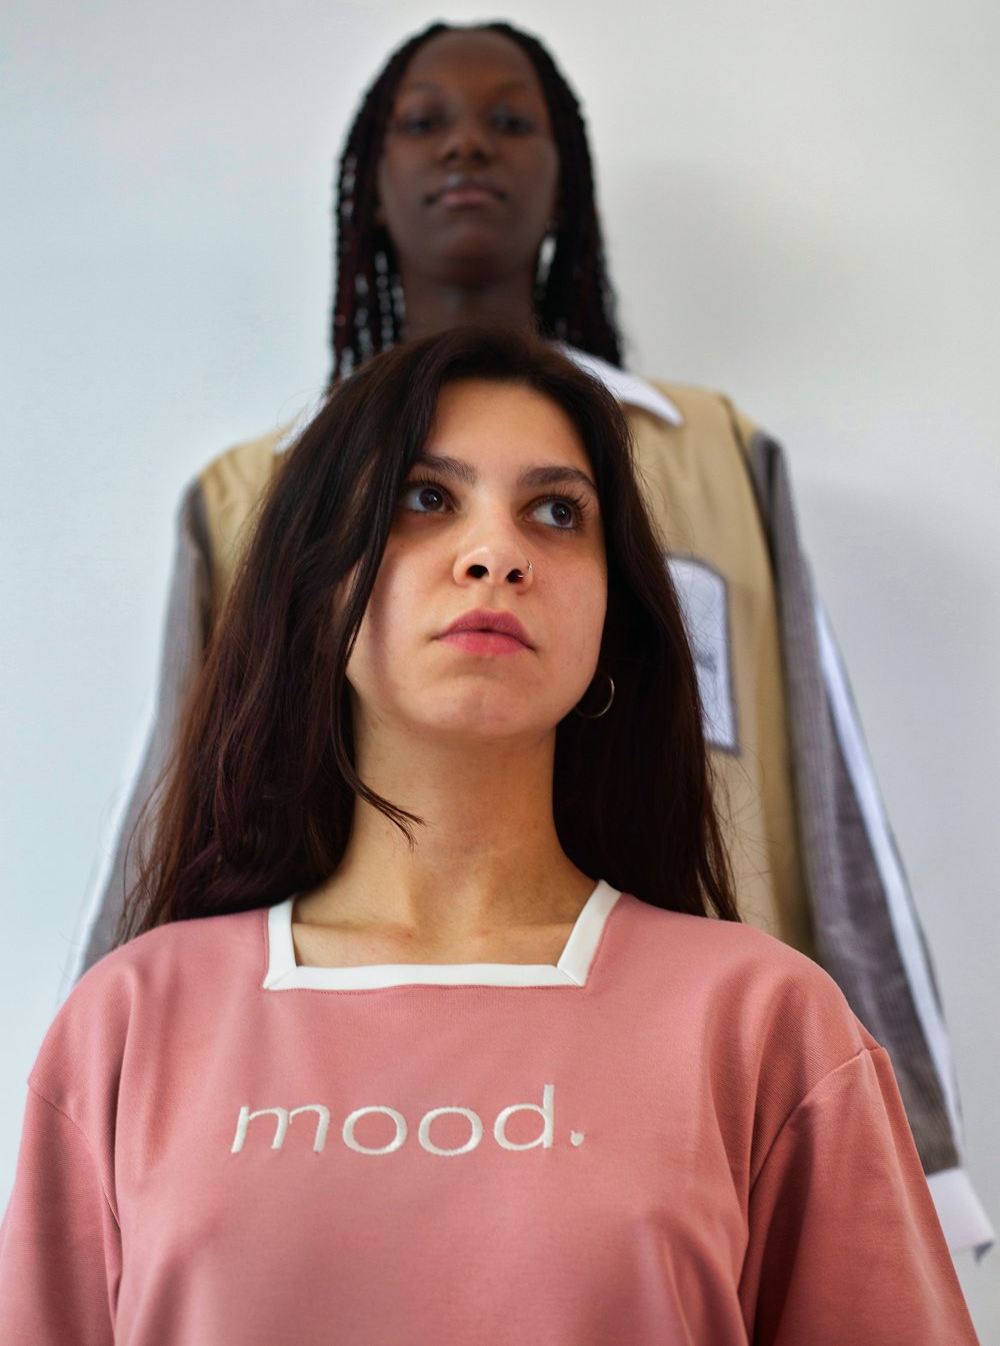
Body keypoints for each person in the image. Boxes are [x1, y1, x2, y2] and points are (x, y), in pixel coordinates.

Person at [71, 20, 989, 1249]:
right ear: (372, 184)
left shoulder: (710, 457)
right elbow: (183, 793)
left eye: (512, 122)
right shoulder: (250, 495)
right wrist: (111, 1093)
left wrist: (911, 1146)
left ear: (566, 180)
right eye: (424, 120)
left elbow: (831, 798)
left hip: (683, 1075)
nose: (467, 143)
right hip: (303, 1060)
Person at [0, 330, 979, 1344]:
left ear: (614, 612)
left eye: (557, 513)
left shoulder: (764, 1023)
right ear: (316, 583)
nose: (496, 552)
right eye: (426, 497)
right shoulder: (131, 1022)